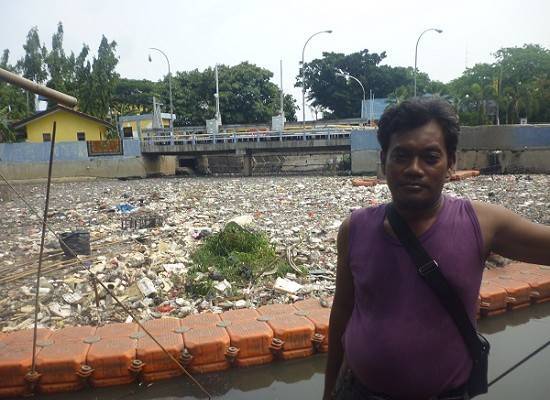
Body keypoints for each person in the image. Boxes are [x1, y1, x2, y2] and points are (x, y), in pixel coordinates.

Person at [323, 98, 550, 400]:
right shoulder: (355, 229)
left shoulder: (481, 223)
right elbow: (342, 311)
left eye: (430, 157)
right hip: (357, 392)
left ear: (451, 162)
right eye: (401, 156)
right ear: (383, 159)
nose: (414, 169)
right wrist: (328, 391)